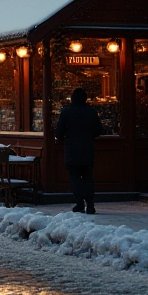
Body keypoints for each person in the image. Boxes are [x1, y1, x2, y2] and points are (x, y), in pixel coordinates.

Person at [53, 86, 106, 214]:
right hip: (87, 149)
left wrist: (62, 136)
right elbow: (99, 130)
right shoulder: (91, 112)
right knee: (88, 176)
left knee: (75, 177)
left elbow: (59, 132)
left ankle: (79, 203)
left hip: (72, 149)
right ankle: (90, 203)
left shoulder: (67, 112)